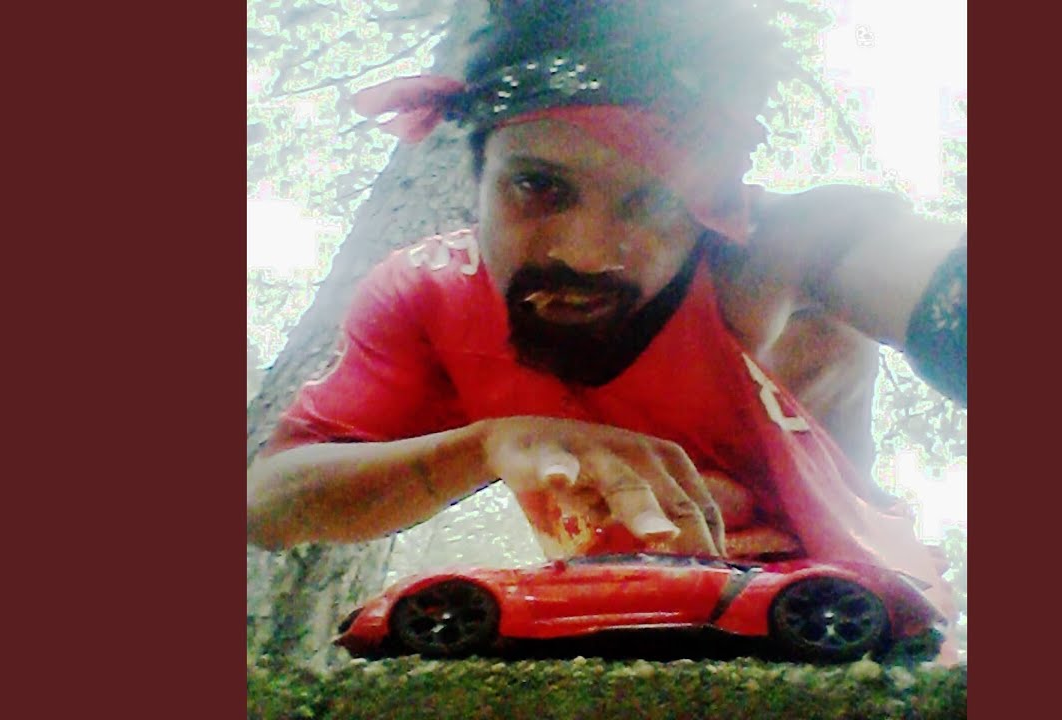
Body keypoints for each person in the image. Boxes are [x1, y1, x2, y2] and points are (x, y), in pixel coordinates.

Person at [248, 0, 965, 656]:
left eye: (653, 201)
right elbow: (267, 501)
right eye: (537, 185)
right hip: (643, 622)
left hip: (850, 623)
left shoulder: (769, 255)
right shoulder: (430, 293)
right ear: (478, 178)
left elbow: (906, 268)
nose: (586, 253)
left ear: (711, 205)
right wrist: (485, 444)